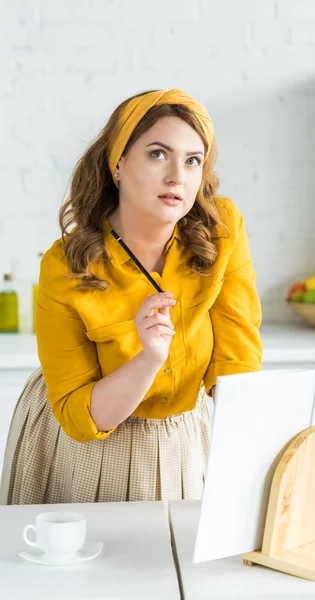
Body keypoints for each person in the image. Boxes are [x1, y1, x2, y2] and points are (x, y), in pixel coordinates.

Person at [0, 88, 262, 505]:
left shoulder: (222, 230)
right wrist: (149, 359)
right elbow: (80, 419)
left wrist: (258, 447)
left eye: (193, 160)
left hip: (182, 433)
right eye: (158, 154)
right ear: (118, 163)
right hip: (86, 442)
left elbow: (237, 356)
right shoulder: (67, 266)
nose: (178, 175)